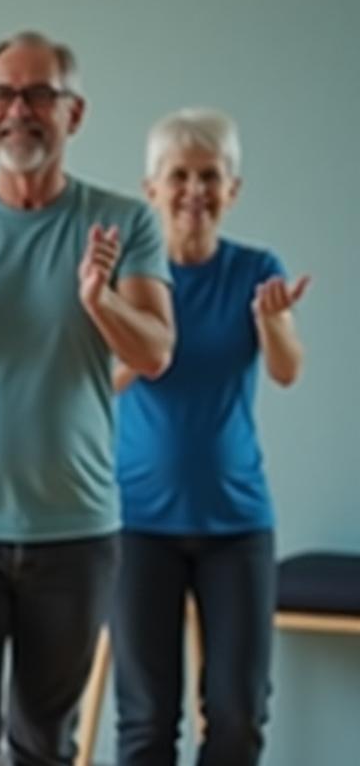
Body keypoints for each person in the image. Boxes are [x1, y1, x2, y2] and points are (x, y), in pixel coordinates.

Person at [0, 32, 176, 766]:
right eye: (2, 94)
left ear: (74, 113)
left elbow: (154, 350)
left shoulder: (124, 222)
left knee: (42, 742)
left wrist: (100, 301)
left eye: (38, 95)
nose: (18, 111)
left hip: (76, 530)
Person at [111, 108, 307, 766]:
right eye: (179, 175)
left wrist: (272, 323)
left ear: (233, 189)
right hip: (138, 524)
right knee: (145, 721)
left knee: (236, 715)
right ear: (152, 188)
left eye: (210, 176)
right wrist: (125, 334)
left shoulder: (256, 270)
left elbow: (285, 370)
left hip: (238, 525)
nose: (194, 190)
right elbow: (98, 382)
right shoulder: (132, 278)